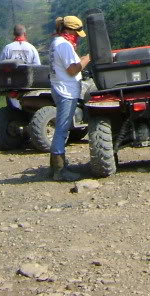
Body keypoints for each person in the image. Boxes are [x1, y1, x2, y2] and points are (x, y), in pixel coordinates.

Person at [48, 15, 90, 181]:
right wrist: (87, 59)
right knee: (62, 129)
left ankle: (55, 166)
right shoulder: (64, 45)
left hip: (59, 88)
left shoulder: (56, 43)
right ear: (71, 30)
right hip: (66, 91)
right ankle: (59, 170)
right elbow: (72, 70)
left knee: (62, 128)